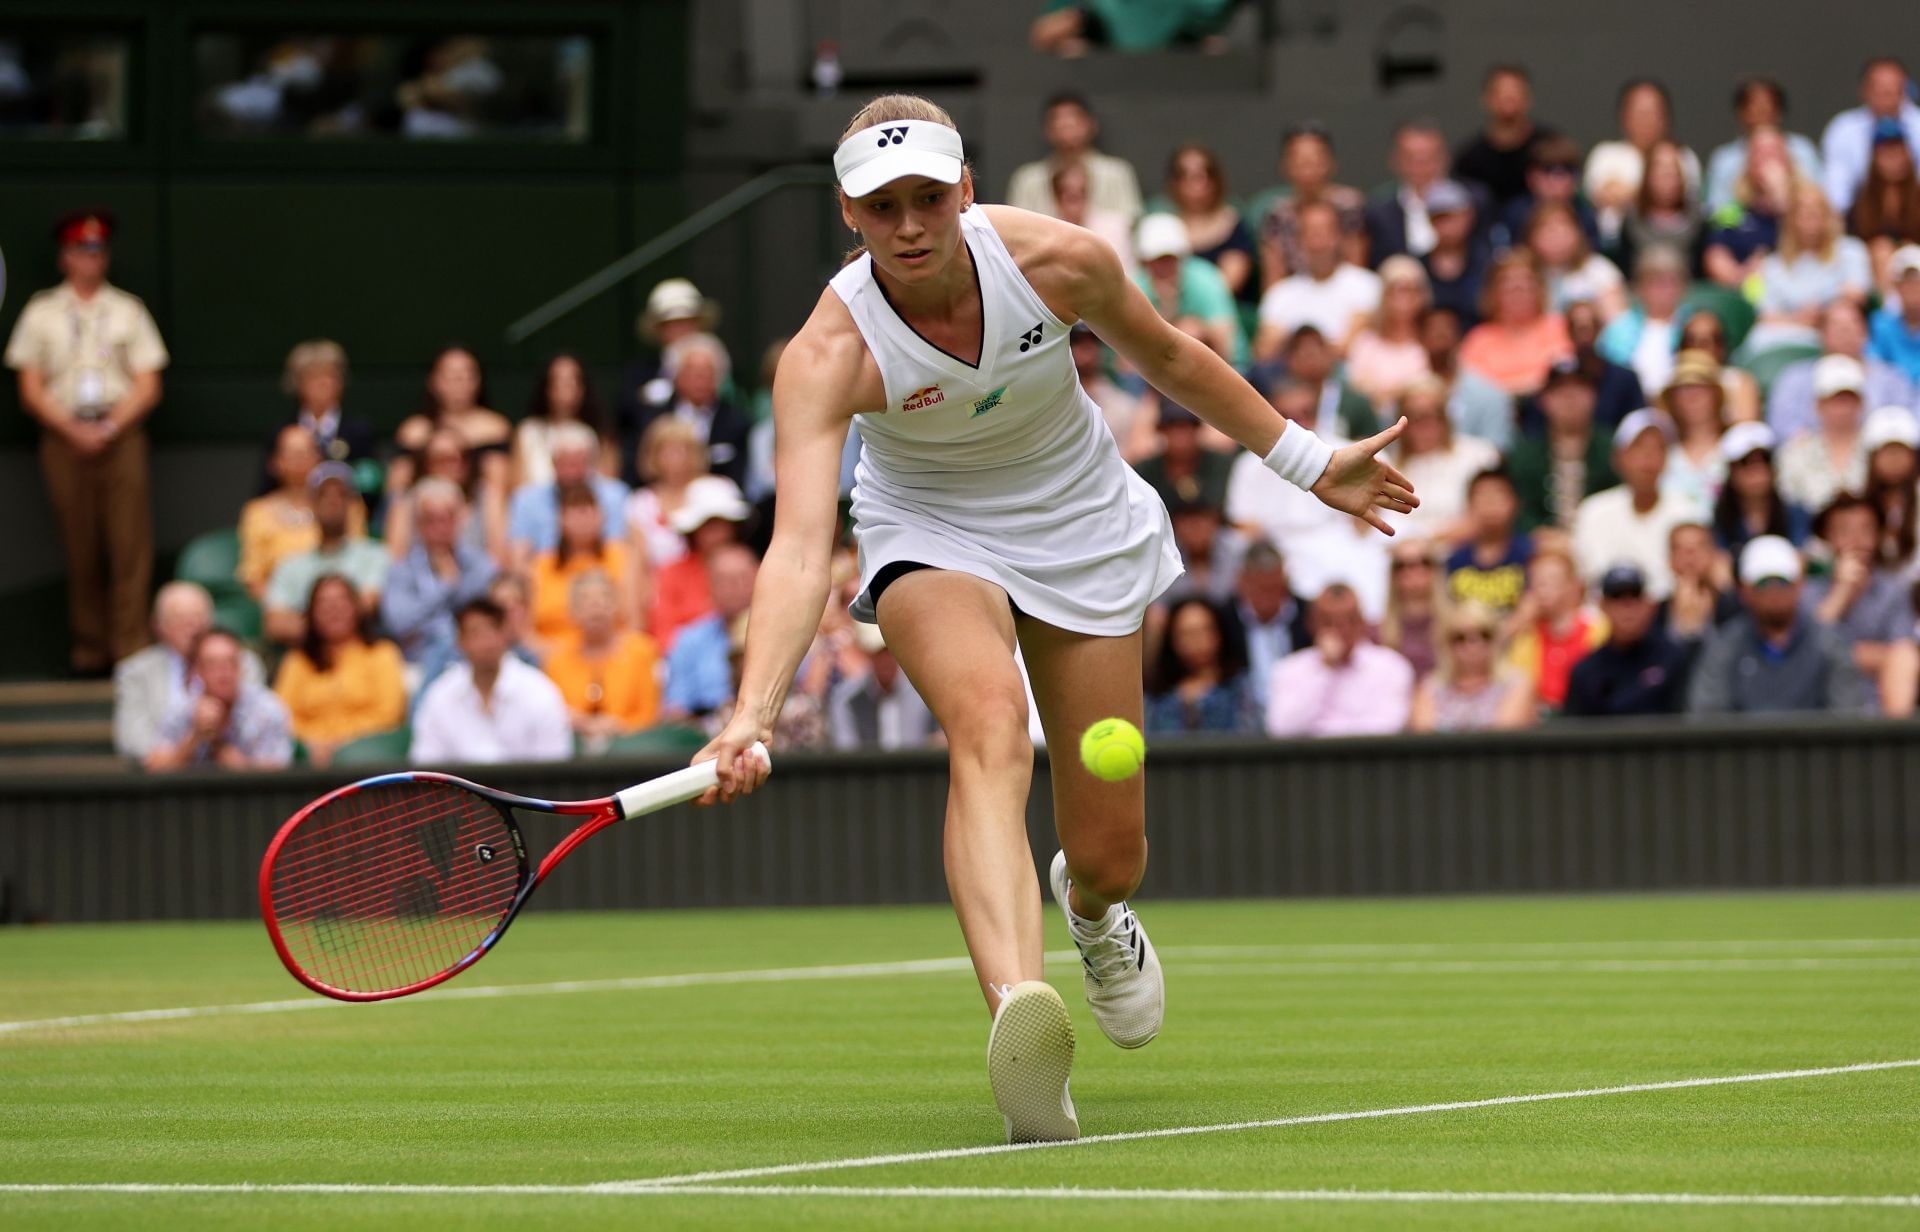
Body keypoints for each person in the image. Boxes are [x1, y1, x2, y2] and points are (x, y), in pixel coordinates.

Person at [694, 94, 1414, 1143]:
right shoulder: (825, 353)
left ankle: (1091, 906)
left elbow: (1167, 358)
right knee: (988, 726)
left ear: (967, 190)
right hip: (929, 527)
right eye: (881, 204)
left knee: (1112, 846)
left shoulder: (1059, 260)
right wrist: (752, 708)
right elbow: (801, 546)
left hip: (1078, 518)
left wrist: (1308, 464)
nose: (908, 223)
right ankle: (1020, 1017)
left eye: (927, 198)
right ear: (847, 214)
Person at [5, 210, 167, 674]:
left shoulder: (128, 309)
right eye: (81, 251)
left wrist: (110, 428)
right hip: (63, 437)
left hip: (121, 435)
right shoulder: (40, 311)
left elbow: (149, 384)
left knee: (130, 544)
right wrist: (73, 431)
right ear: (64, 258)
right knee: (80, 546)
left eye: (97, 250)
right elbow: (30, 387)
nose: (90, 259)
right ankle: (90, 649)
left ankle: (130, 650)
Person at [1686, 535, 1863, 714]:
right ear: (1745, 591)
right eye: (1764, 583)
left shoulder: (1829, 643)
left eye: (1783, 581)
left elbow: (1847, 717)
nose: (1775, 592)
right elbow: (1707, 717)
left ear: (1799, 585)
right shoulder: (1725, 645)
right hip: (1743, 742)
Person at [410, 598, 573, 764]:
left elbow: (554, 765)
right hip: (456, 791)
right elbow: (427, 767)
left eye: (493, 629)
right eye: (475, 633)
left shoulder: (539, 691)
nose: (486, 642)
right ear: (460, 641)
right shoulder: (440, 695)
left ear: (505, 635)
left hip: (526, 790)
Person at [113, 582, 264, 761]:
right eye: (179, 618)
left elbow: (257, 730)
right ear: (158, 626)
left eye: (198, 616)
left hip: (234, 776)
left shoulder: (243, 661)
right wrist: (188, 741)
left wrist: (217, 725)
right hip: (162, 782)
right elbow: (133, 743)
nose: (192, 626)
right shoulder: (135, 673)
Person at [272, 575, 406, 767]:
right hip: (310, 760)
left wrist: (340, 742)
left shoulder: (382, 653)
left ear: (356, 607)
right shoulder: (297, 660)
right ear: (311, 613)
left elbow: (388, 714)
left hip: (367, 759)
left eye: (341, 601)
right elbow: (281, 716)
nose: (333, 610)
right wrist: (313, 742)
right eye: (323, 603)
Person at [1807, 492, 1919, 716]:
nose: (1856, 540)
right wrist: (1841, 593)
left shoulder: (1894, 591)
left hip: (1878, 707)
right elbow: (1803, 655)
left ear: (1878, 536)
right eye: (1844, 531)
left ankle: (1897, 743)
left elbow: (1904, 655)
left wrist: (1838, 657)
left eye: (1865, 529)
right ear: (1827, 538)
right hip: (1818, 709)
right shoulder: (1808, 592)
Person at [263, 462, 389, 645]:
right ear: (311, 504)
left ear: (352, 504)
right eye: (324, 495)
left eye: (341, 494)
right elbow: (275, 624)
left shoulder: (375, 555)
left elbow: (369, 604)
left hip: (363, 655)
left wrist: (312, 623)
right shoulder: (290, 565)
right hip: (310, 662)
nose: (333, 501)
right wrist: (332, 628)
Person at [1572, 409, 1693, 598]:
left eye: (1659, 448)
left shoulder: (1687, 511)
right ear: (1618, 457)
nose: (1648, 458)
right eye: (1639, 448)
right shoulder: (1593, 511)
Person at [1265, 584, 1414, 737]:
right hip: (1311, 759)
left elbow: (1388, 726)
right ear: (1311, 624)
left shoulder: (1391, 667)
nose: (1340, 630)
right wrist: (1325, 669)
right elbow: (1282, 728)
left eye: (1349, 620)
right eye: (1328, 622)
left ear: (1362, 623)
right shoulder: (1289, 669)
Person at [380, 478, 499, 663]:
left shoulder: (480, 566)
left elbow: (489, 618)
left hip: (472, 662)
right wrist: (444, 587)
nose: (440, 528)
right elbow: (398, 623)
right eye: (431, 520)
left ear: (460, 520)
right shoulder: (402, 570)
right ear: (418, 524)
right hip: (419, 663)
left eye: (447, 518)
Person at [543, 569, 661, 750]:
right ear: (572, 611)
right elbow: (553, 713)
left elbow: (650, 713)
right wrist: (583, 723)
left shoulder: (641, 651)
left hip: (633, 746)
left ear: (616, 605)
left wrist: (620, 726)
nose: (596, 606)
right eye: (586, 601)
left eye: (604, 598)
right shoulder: (557, 660)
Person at [144, 629, 292, 772]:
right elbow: (154, 768)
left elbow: (280, 771)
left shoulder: (267, 709)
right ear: (197, 671)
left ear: (241, 667)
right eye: (212, 664)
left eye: (230, 663)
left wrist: (241, 764)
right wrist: (195, 737)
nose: (223, 673)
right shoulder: (183, 709)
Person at [1769, 300, 1917, 440]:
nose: (1845, 332)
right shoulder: (1795, 378)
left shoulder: (1892, 378)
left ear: (1866, 333)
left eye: (1853, 324)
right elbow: (1783, 429)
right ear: (1821, 333)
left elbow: (1911, 424)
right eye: (1837, 325)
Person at [1750, 183, 1872, 351]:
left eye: (1816, 210)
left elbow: (1857, 295)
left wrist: (1822, 314)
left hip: (1835, 332)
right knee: (1759, 338)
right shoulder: (1772, 265)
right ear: (1790, 219)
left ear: (1828, 215)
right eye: (1802, 211)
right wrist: (1798, 319)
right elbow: (1764, 316)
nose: (1809, 216)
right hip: (1789, 330)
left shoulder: (1851, 250)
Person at [1584, 79, 1701, 253]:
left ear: (1666, 117)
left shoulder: (1683, 155)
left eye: (1653, 112)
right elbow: (1605, 195)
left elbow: (1686, 201)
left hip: (1675, 247)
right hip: (1616, 247)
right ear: (1624, 116)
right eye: (1639, 112)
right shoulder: (1606, 154)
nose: (1646, 119)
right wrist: (1655, 193)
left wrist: (1628, 192)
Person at [621, 333, 751, 488]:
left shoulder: (736, 422)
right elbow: (638, 469)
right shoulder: (651, 418)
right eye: (692, 372)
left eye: (707, 372)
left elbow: (740, 478)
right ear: (675, 375)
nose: (700, 379)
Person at [1562, 563, 1691, 716]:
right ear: (1603, 606)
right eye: (1616, 598)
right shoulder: (1585, 672)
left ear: (1649, 604)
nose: (1627, 607)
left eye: (1635, 596)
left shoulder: (1673, 658)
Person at [238, 425, 349, 600]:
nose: (300, 459)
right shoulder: (257, 512)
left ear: (319, 458)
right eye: (292, 453)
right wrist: (285, 608)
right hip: (282, 612)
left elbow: (357, 558)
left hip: (337, 606)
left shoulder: (342, 504)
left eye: (307, 452)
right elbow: (253, 578)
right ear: (275, 462)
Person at [1507, 360, 1618, 534]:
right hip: (1543, 546)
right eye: (1560, 391)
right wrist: (1539, 533)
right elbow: (1519, 509)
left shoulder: (1614, 449)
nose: (1570, 397)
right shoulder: (1524, 454)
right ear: (1543, 400)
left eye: (1579, 389)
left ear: (1594, 396)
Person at [1254, 123, 1368, 289]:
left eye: (1315, 160)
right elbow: (1274, 276)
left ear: (1331, 163)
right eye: (1300, 161)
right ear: (1285, 166)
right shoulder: (1277, 214)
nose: (1308, 169)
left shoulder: (1350, 206)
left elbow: (1357, 267)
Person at [1386, 376, 1499, 543]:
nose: (1424, 425)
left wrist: (1426, 539)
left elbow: (1486, 516)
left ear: (1445, 418)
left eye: (1431, 415)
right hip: (1407, 561)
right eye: (1414, 417)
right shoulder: (1388, 466)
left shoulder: (1479, 455)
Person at [506, 421, 632, 567]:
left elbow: (623, 552)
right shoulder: (526, 500)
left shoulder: (616, 496)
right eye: (566, 464)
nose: (572, 473)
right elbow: (518, 558)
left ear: (592, 463)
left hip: (605, 578)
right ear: (553, 463)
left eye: (578, 464)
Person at [650, 474, 754, 649]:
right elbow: (664, 635)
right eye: (706, 525)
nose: (714, 534)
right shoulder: (671, 573)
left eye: (721, 524)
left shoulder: (751, 566)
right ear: (694, 530)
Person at [1004, 93, 1142, 221]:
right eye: (1059, 122)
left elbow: (1130, 222)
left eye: (1073, 122)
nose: (1066, 128)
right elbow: (1017, 228)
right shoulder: (1028, 179)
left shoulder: (1117, 173)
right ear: (1047, 129)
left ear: (1091, 125)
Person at [617, 278, 723, 443]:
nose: (680, 331)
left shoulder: (720, 362)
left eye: (687, 323)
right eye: (671, 325)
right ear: (658, 330)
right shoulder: (640, 373)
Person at [661, 541, 759, 720]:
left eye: (743, 578)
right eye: (725, 580)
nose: (735, 587)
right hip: (704, 731)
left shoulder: (779, 634)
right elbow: (676, 707)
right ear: (710, 585)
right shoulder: (689, 639)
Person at [530, 481, 633, 648]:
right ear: (560, 518)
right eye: (575, 511)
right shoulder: (540, 566)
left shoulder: (622, 556)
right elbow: (526, 631)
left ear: (602, 516)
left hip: (614, 654)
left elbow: (634, 621)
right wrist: (557, 659)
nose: (582, 519)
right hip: (551, 657)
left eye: (588, 510)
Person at [390, 346, 512, 486]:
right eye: (450, 375)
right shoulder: (413, 430)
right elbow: (396, 491)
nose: (459, 381)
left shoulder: (495, 428)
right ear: (432, 381)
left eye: (467, 374)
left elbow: (500, 490)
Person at [265, 339, 376, 494]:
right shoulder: (283, 431)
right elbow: (267, 486)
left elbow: (371, 486)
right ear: (297, 383)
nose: (323, 384)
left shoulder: (358, 431)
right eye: (314, 377)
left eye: (330, 376)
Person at [1133, 213, 1244, 366]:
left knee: (1191, 332)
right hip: (1152, 377)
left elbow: (1225, 345)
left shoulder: (1207, 279)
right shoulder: (1135, 285)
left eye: (1170, 258)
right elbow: (1125, 359)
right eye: (1157, 259)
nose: (1164, 266)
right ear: (1145, 261)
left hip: (1225, 369)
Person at [1505, 547, 1607, 711]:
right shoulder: (1526, 635)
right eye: (1535, 581)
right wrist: (1517, 620)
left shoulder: (1598, 628)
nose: (1541, 588)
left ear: (1573, 585)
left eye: (1551, 580)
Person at [1704, 77, 1825, 213]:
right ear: (1740, 113)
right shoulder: (1724, 160)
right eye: (1753, 106)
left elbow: (1821, 204)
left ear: (1779, 112)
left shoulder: (1803, 150)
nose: (1762, 112)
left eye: (1769, 105)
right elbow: (1715, 214)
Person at [1458, 250, 1571, 395]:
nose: (1517, 287)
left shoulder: (1558, 327)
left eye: (1526, 281)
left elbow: (1562, 375)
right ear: (1493, 292)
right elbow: (1471, 389)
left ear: (1540, 288)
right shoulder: (1478, 339)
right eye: (1507, 282)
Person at [1409, 599, 1533, 731]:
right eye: (1461, 637)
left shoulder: (1516, 684)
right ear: (1447, 643)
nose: (1472, 646)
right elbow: (1424, 739)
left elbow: (1504, 738)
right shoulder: (1431, 687)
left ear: (1496, 640)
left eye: (1484, 635)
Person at [1143, 596, 1259, 735]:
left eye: (1205, 630)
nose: (1198, 641)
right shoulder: (1157, 696)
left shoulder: (1239, 687)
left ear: (1219, 634)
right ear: (1172, 640)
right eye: (1187, 634)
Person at [1163, 143, 1257, 314]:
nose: (1196, 184)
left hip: (1223, 315)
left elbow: (1228, 286)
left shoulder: (1233, 226)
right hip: (1169, 314)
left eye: (1203, 175)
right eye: (1185, 176)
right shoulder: (1163, 228)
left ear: (1216, 179)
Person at [1820, 57, 1920, 215]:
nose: (1888, 95)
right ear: (1864, 91)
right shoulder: (1843, 129)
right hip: (1859, 222)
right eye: (1880, 89)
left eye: (1895, 88)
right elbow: (1837, 194)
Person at [1452, 64, 1557, 211]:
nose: (1508, 99)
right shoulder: (1469, 159)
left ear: (1528, 99)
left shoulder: (1551, 148)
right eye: (1500, 93)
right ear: (1486, 99)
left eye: (1515, 93)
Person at [1703, 127, 1797, 290]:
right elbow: (1715, 258)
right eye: (1760, 153)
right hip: (1749, 295)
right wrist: (1745, 274)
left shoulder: (1807, 205)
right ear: (1748, 164)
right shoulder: (1731, 211)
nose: (1767, 159)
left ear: (1788, 162)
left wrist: (1780, 198)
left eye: (1774, 152)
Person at [1777, 355, 1869, 513]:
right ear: (1818, 404)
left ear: (1861, 403)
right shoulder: (1795, 452)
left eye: (1849, 399)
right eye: (1835, 400)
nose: (1843, 409)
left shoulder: (1875, 448)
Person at [827, 622, 937, 750]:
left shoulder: (924, 693)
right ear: (869, 655)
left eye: (890, 652)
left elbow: (936, 742)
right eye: (878, 653)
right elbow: (845, 749)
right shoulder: (847, 698)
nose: (886, 660)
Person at [1596, 247, 1689, 397]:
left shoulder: (1693, 324)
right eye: (1655, 283)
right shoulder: (1618, 329)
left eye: (1670, 282)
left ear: (1684, 287)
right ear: (1639, 287)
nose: (1663, 290)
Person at [514, 352, 615, 489]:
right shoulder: (528, 431)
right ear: (546, 387)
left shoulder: (599, 434)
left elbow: (608, 489)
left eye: (573, 380)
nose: (565, 388)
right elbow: (519, 489)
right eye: (557, 381)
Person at [1365, 119, 1459, 264]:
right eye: (1410, 158)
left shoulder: (1472, 201)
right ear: (1395, 160)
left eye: (1428, 158)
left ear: (1445, 158)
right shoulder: (1379, 211)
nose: (1419, 166)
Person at [1712, 421, 1811, 559]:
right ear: (1731, 473)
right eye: (1745, 463)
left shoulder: (1795, 514)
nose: (1757, 472)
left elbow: (1800, 559)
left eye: (1764, 460)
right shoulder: (1718, 519)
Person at [1344, 256, 1433, 406]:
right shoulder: (1366, 342)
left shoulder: (1431, 341)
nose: (1402, 299)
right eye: (1395, 290)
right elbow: (1355, 389)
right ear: (1383, 296)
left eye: (1410, 290)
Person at [1232, 539, 1311, 709]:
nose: (1268, 599)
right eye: (1260, 589)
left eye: (1275, 588)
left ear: (1285, 580)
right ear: (1242, 583)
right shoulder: (1226, 620)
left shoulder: (1308, 616)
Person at [1418, 306, 1511, 447]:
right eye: (1433, 329)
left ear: (1459, 337)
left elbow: (1496, 452)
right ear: (1420, 338)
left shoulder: (1490, 395)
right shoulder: (1405, 394)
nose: (1440, 334)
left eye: (1447, 329)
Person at [1446, 468, 1532, 617]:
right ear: (1469, 504)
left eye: (1498, 495)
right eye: (1482, 495)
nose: (1490, 503)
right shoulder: (1453, 559)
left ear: (1515, 503)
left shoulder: (1530, 554)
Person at [1497, 133, 1598, 253]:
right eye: (1548, 170)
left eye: (1567, 171)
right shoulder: (1514, 214)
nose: (1558, 180)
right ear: (1531, 177)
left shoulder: (1585, 213)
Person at [1657, 351, 1730, 517]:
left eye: (1701, 387)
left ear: (1716, 395)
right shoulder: (1661, 451)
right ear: (1672, 399)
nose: (1692, 395)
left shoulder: (1736, 447)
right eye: (1683, 389)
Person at [1526, 203, 1627, 320]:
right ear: (1532, 236)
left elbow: (1616, 323)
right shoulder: (1522, 273)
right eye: (1549, 230)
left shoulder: (1599, 270)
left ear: (1577, 233)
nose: (1557, 237)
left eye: (1563, 229)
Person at [1620, 140, 1705, 278]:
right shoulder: (1631, 221)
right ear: (1647, 174)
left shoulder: (1698, 221)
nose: (1666, 175)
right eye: (1659, 168)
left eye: (1673, 169)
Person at [1849, 121, 1920, 284]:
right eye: (1886, 152)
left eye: (1898, 151)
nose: (1893, 158)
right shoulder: (1862, 202)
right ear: (1875, 157)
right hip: (1874, 270)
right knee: (1881, 249)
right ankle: (1888, 307)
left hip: (1916, 267)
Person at [1418, 179, 1492, 329]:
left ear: (1469, 216)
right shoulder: (1417, 266)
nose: (1446, 226)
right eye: (1439, 218)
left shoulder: (1489, 263)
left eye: (1452, 217)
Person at [1071, 324, 1148, 458]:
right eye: (1077, 341)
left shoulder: (1123, 405)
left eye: (1091, 342)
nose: (1086, 348)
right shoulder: (1050, 399)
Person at [1662, 520, 1742, 643]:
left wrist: (1728, 592)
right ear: (1669, 559)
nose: (1690, 555)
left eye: (1699, 546)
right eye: (1680, 548)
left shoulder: (1735, 607)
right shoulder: (1655, 613)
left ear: (1714, 554)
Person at [1677, 310, 1762, 426]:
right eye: (1691, 340)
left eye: (1706, 341)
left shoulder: (1738, 382)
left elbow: (1747, 431)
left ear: (1721, 347)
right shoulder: (1669, 381)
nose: (1699, 347)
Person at [1050, 163, 1136, 277]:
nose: (1077, 201)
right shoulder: (1044, 233)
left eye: (1082, 192)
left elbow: (1126, 275)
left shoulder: (1116, 227)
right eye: (1070, 196)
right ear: (1056, 198)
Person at [1862, 405, 1920, 569]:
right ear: (1872, 458)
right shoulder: (1857, 498)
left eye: (1900, 451)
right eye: (1887, 452)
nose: (1894, 460)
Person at [1379, 538, 1442, 679]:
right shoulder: (1376, 633)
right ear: (1393, 574)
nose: (1414, 570)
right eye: (1402, 565)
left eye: (1424, 562)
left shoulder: (1459, 627)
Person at [1871, 246, 1920, 384]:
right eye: (1906, 282)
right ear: (1897, 286)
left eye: (1917, 282)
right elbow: (1874, 366)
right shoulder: (1880, 324)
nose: (1913, 288)